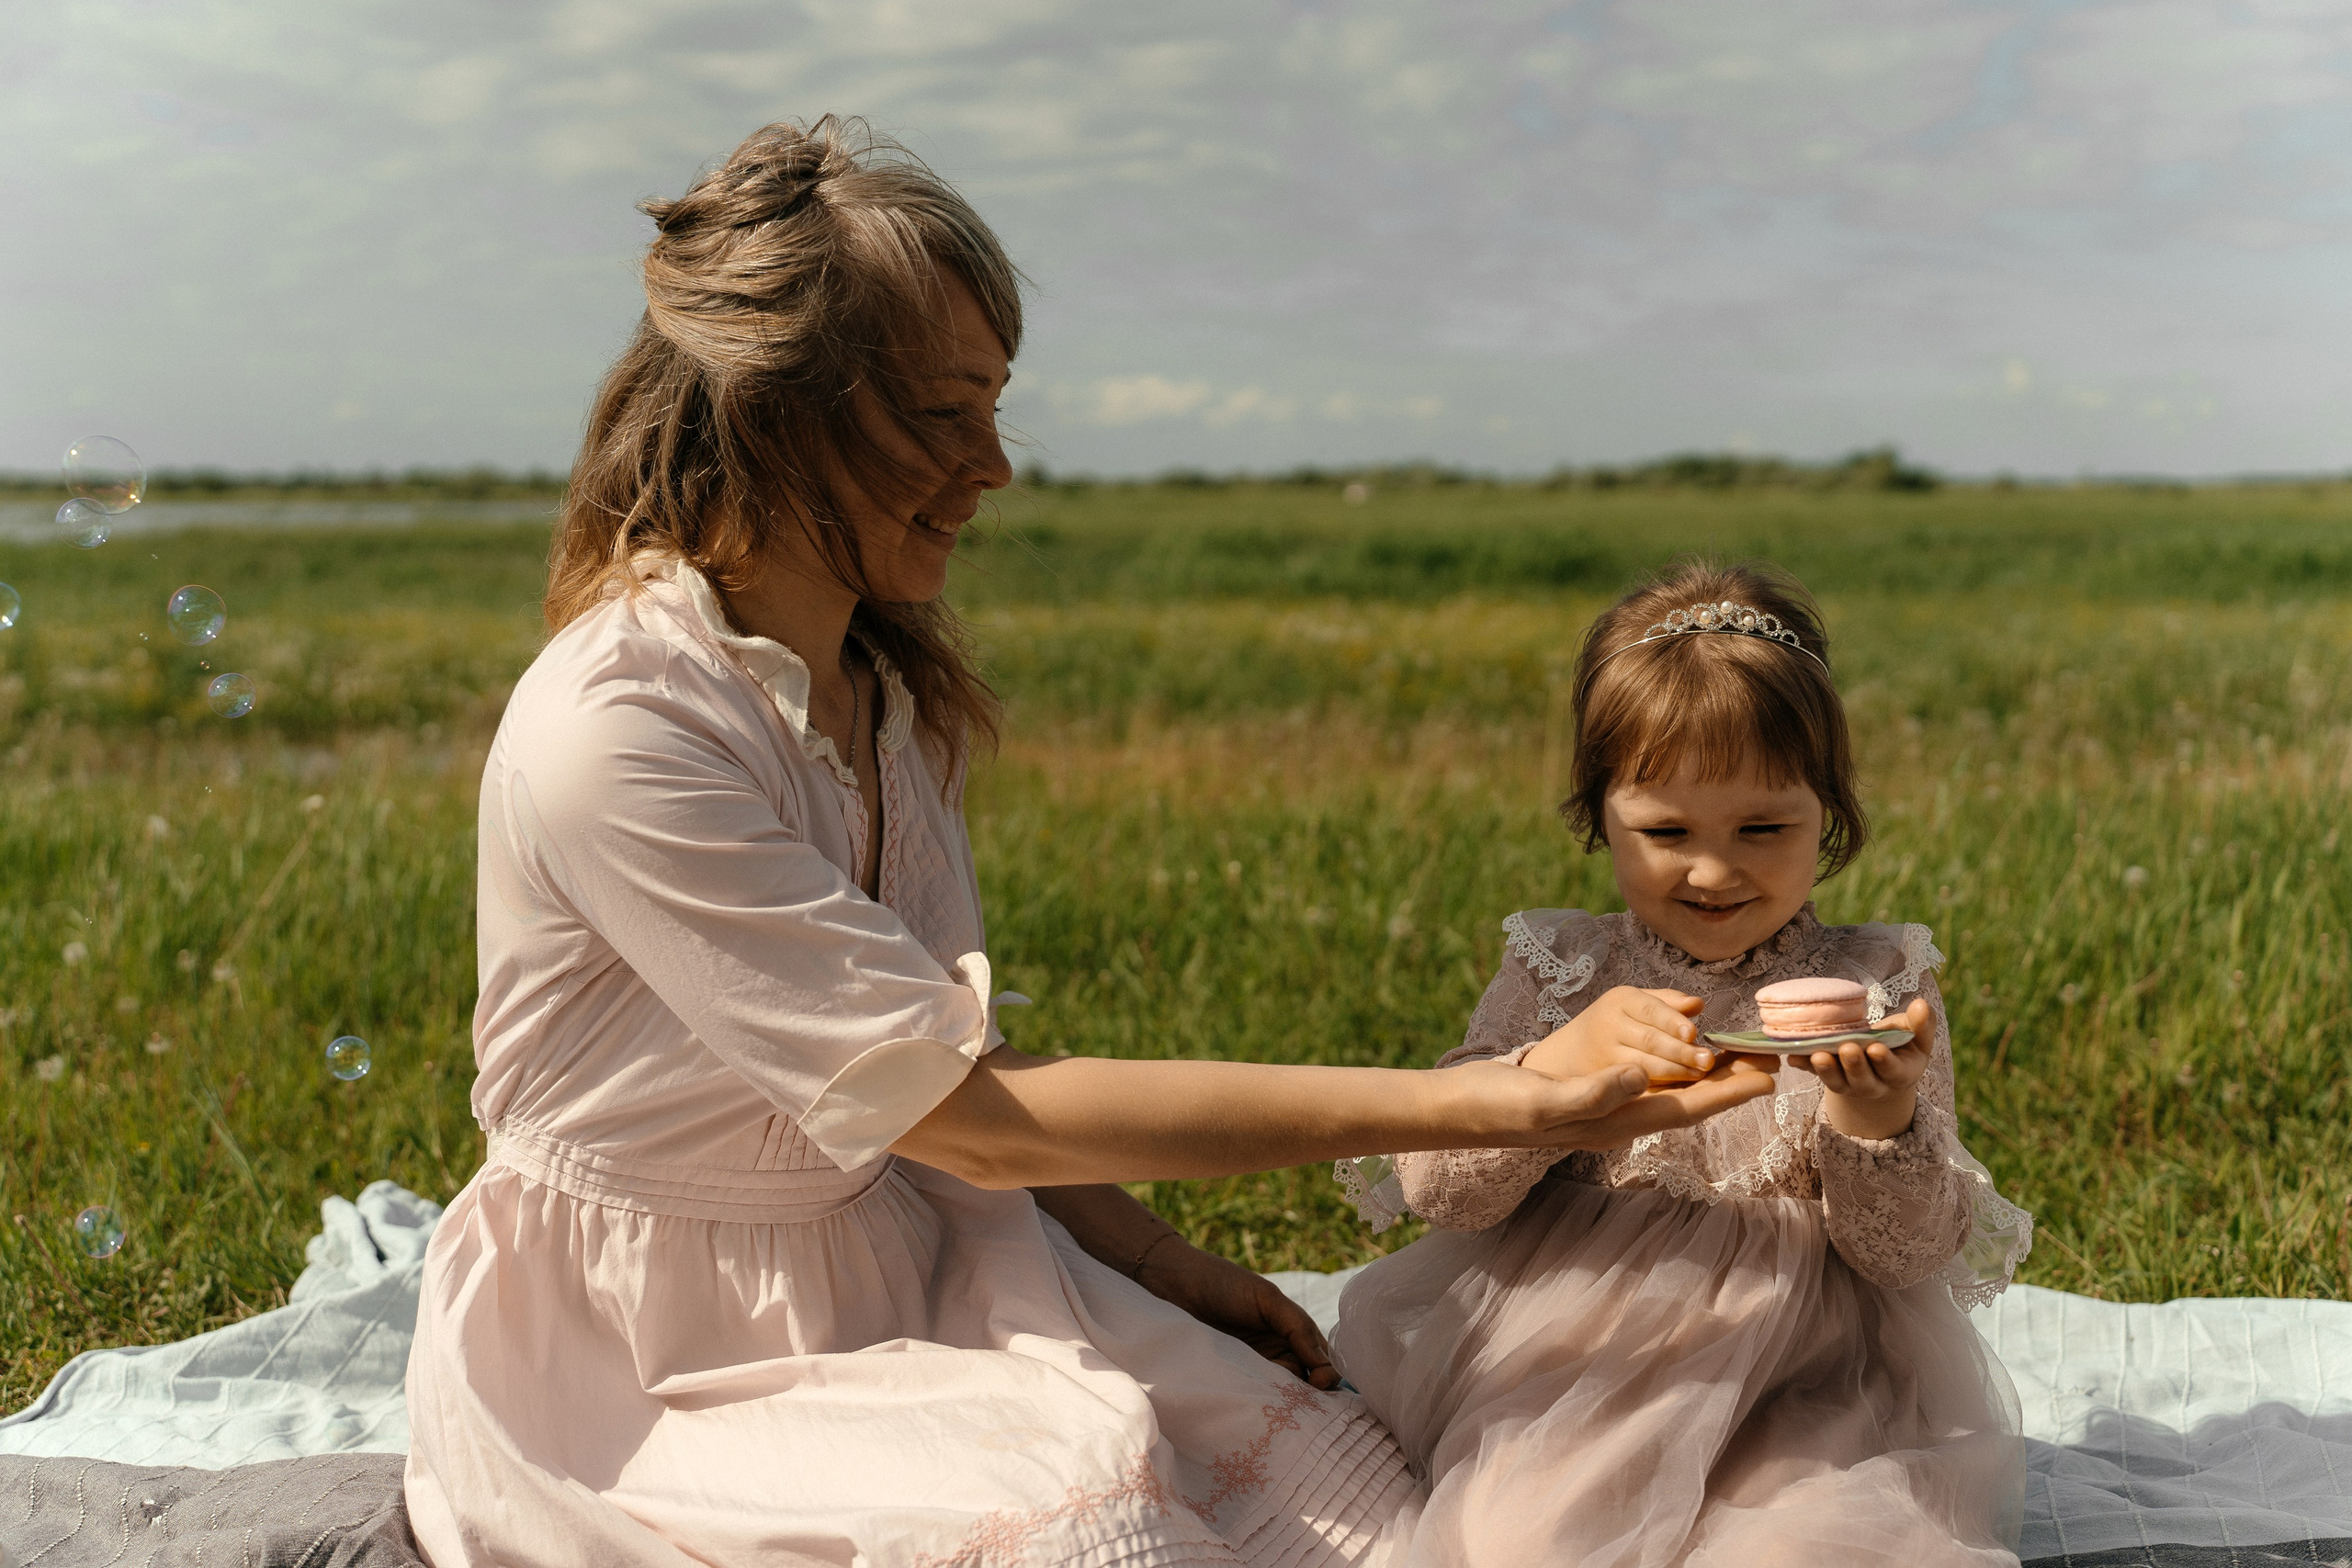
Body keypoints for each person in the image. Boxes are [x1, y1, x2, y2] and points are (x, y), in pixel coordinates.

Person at [401, 118, 1776, 1567]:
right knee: (1099, 1525)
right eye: (941, 415)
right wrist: (1510, 1098)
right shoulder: (622, 726)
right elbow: (973, 1113)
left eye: (995, 405)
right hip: (645, 1350)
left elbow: (934, 1077)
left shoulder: (880, 697)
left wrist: (1163, 1263)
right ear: (773, 411)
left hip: (900, 1246)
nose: (993, 464)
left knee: (1365, 1491)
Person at [1329, 559, 2038, 1565]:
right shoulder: (1564, 967)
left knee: (1817, 1543)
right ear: (1596, 813)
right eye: (1665, 831)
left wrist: (1876, 1125)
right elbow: (1445, 1193)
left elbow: (1906, 1255)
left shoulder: (1877, 981)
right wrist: (1543, 1070)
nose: (1713, 870)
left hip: (1810, 1368)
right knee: (1517, 1541)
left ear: (1828, 812)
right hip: (1579, 1358)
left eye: (1764, 827)